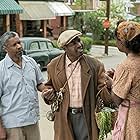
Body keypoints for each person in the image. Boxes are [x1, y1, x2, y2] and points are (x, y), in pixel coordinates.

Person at [42, 29, 112, 140]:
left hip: (87, 117)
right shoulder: (53, 66)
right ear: (64, 48)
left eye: (79, 40)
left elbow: (103, 95)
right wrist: (47, 94)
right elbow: (49, 87)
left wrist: (109, 86)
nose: (79, 45)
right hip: (64, 118)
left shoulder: (95, 65)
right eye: (73, 43)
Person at [0, 31, 46, 140]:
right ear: (5, 48)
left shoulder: (31, 62)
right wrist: (0, 129)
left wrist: (46, 90)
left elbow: (39, 83)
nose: (19, 46)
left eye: (19, 42)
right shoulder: (1, 69)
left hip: (32, 121)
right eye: (14, 45)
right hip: (12, 125)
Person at [106, 21, 140, 140]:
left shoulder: (126, 66)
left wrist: (111, 82)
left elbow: (117, 99)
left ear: (123, 42)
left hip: (132, 118)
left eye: (117, 39)